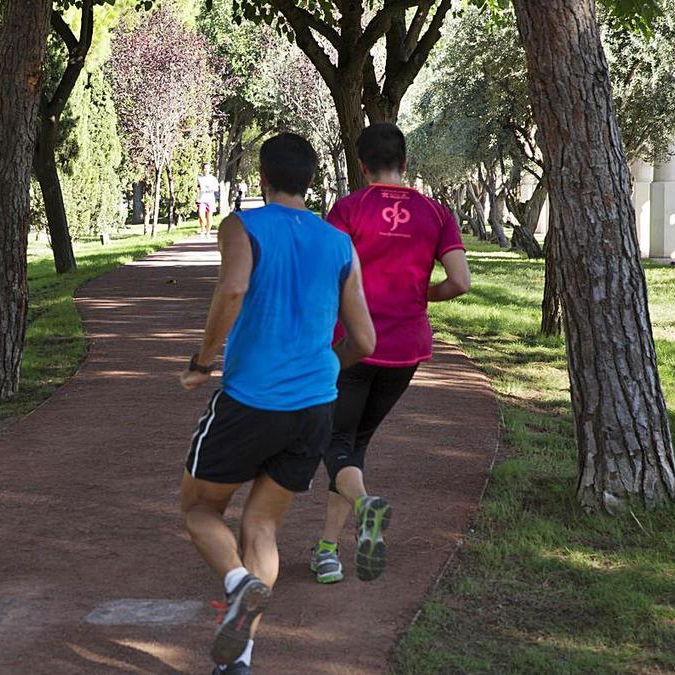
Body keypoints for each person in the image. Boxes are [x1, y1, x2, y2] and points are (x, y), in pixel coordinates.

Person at [178, 133, 376, 674]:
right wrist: (326, 367)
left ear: (262, 177)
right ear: (311, 181)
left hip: (249, 402)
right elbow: (364, 341)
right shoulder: (339, 242)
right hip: (315, 408)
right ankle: (237, 655)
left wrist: (202, 361)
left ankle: (238, 583)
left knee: (199, 510)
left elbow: (233, 290)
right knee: (261, 528)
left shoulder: (242, 226)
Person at [307, 123, 471, 586]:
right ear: (406, 162)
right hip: (406, 349)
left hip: (351, 346)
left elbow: (323, 275)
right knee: (352, 446)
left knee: (334, 443)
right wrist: (422, 296)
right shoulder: (437, 214)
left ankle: (363, 509)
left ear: (360, 165)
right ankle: (326, 552)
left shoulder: (348, 209)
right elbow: (460, 281)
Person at [196, 163, 220, 236]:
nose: (206, 170)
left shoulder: (213, 178)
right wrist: (198, 188)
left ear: (210, 169)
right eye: (205, 168)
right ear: (202, 169)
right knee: (201, 215)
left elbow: (216, 188)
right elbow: (196, 186)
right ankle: (202, 228)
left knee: (209, 217)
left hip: (210, 199)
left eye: (207, 168)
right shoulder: (199, 177)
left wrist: (211, 189)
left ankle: (208, 231)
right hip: (201, 199)